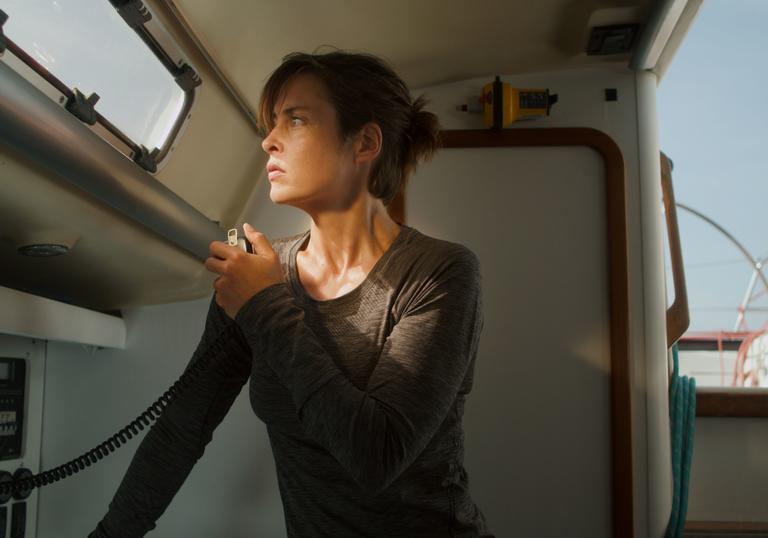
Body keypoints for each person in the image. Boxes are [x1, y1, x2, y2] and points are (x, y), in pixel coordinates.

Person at [89, 50, 493, 538]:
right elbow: (184, 424)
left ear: (364, 142)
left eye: (295, 120)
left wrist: (264, 305)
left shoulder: (440, 272)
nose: (269, 141)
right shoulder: (259, 270)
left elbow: (376, 455)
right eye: (271, 124)